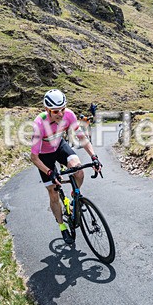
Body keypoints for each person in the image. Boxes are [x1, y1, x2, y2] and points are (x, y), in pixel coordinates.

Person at [31, 89, 101, 245]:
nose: (61, 114)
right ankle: (62, 226)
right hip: (44, 155)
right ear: (47, 110)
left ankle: (74, 197)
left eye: (63, 108)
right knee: (53, 193)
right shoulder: (39, 124)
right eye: (56, 111)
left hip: (59, 146)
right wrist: (50, 172)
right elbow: (34, 158)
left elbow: (81, 137)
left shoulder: (69, 114)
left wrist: (94, 157)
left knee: (79, 171)